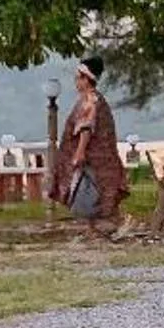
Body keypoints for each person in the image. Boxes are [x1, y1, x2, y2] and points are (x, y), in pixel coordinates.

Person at [50, 57, 127, 232]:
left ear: (86, 78)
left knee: (89, 193)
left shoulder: (90, 101)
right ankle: (102, 229)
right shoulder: (94, 99)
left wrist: (79, 152)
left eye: (78, 78)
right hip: (101, 159)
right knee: (96, 193)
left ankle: (97, 229)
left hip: (93, 160)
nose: (76, 82)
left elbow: (86, 127)